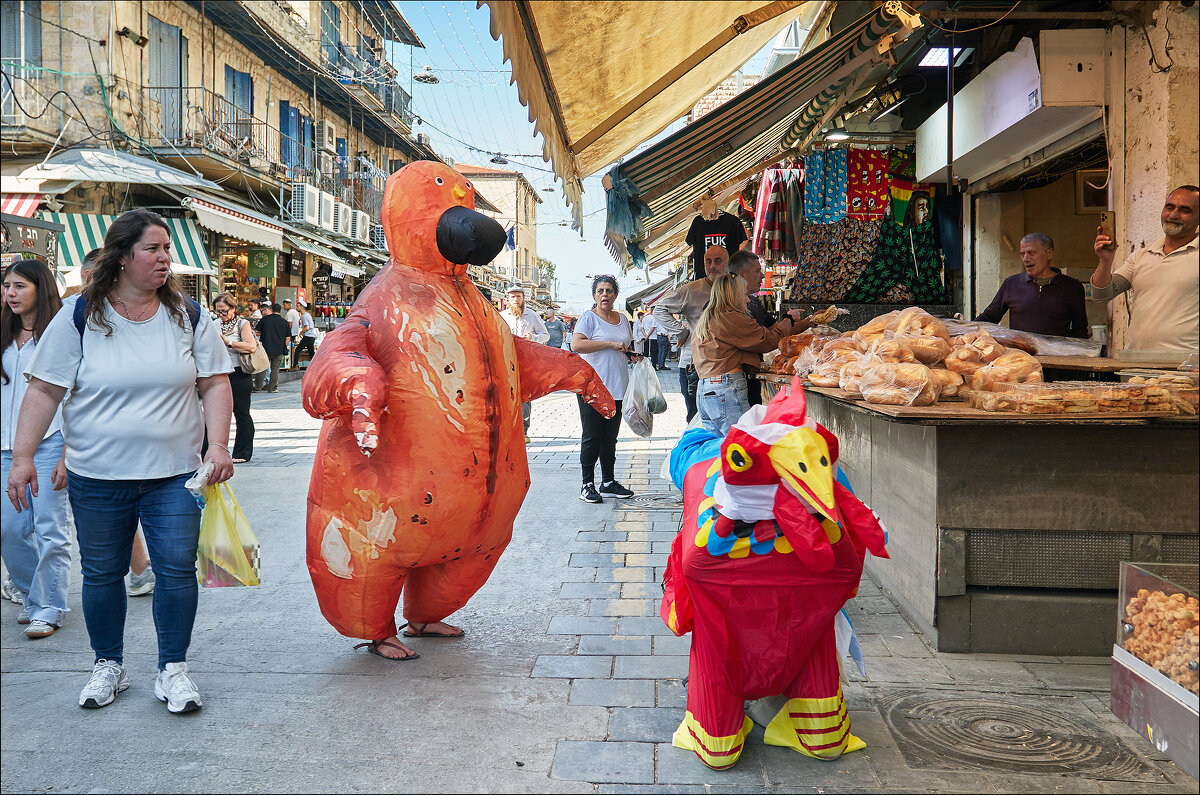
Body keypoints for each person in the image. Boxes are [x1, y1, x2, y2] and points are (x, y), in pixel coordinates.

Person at [6, 207, 234, 713]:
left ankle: (172, 668)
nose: (164, 258)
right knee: (103, 573)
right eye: (153, 249)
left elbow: (215, 383)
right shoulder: (80, 314)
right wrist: (24, 457)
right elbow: (44, 390)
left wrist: (217, 445)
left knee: (175, 571)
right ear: (123, 256)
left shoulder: (188, 315)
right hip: (97, 474)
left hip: (175, 475)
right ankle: (108, 664)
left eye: (167, 249)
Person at [1, 258, 71, 639]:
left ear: (39, 289)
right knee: (8, 529)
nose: (10, 293)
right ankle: (32, 598)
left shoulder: (59, 335)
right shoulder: (2, 335)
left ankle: (51, 605)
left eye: (19, 286)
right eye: (7, 286)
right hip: (4, 449)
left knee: (49, 528)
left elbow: (74, 397)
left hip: (50, 443)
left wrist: (66, 453)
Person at [693, 273, 806, 436]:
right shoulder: (731, 317)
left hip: (706, 389)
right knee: (744, 445)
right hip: (726, 388)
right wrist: (788, 319)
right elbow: (767, 340)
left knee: (723, 450)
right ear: (733, 296)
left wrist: (806, 322)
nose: (747, 300)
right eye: (744, 294)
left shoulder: (709, 317)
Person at [1090, 185, 1199, 352]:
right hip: (1137, 362)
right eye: (1169, 207)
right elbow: (1101, 294)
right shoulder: (1141, 256)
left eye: (1185, 210)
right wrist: (1105, 261)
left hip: (1185, 366)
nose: (1174, 214)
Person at [571, 276, 637, 504]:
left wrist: (631, 355)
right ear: (594, 295)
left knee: (610, 438)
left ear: (616, 295)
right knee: (592, 436)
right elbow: (576, 344)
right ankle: (586, 484)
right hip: (593, 387)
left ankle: (608, 482)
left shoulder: (623, 319)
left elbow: (624, 346)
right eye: (600, 291)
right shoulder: (588, 318)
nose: (605, 295)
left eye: (609, 290)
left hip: (618, 387)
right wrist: (609, 344)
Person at [653, 245, 731, 422]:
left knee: (722, 422)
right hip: (694, 366)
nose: (712, 266)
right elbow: (659, 310)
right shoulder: (692, 290)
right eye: (708, 262)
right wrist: (681, 332)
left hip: (725, 366)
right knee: (697, 421)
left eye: (718, 261)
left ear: (727, 263)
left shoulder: (733, 289)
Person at [727, 250, 813, 406]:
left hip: (745, 382)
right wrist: (788, 319)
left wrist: (810, 321)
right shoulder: (732, 309)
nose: (762, 276)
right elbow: (767, 340)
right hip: (733, 386)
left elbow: (779, 333)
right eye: (757, 271)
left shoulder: (753, 303)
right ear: (742, 274)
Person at [974, 233, 1088, 338]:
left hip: (1059, 358)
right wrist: (961, 330)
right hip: (1020, 356)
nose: (1026, 259)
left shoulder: (1072, 287)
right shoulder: (1011, 284)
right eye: (1022, 254)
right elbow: (988, 318)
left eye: (1031, 253)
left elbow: (1080, 330)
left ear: (1049, 253)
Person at [500, 283, 548, 443]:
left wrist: (532, 338)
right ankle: (508, 428)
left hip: (526, 362)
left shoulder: (533, 315)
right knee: (506, 394)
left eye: (518, 296)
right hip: (506, 361)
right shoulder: (501, 316)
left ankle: (524, 430)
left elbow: (545, 335)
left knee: (525, 395)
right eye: (512, 296)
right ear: (508, 299)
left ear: (523, 298)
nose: (515, 299)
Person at [213, 293, 258, 463]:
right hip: (219, 373)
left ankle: (241, 452)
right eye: (217, 311)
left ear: (233, 308)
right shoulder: (214, 324)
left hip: (239, 373)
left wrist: (228, 343)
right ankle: (210, 450)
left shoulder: (242, 324)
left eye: (224, 311)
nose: (221, 315)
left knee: (241, 413)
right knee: (214, 414)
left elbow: (251, 346)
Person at [256, 303, 292, 393]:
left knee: (262, 367)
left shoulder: (265, 319)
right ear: (280, 311)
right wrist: (284, 345)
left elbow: (256, 331)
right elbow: (288, 337)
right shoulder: (284, 322)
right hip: (279, 348)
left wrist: (263, 333)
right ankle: (272, 388)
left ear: (271, 310)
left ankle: (258, 387)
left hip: (266, 348)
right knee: (275, 369)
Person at [293, 300, 317, 368]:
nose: (296, 308)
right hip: (312, 336)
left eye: (298, 306)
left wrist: (301, 332)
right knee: (311, 352)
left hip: (308, 336)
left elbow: (307, 327)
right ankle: (315, 365)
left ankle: (295, 365)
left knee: (298, 350)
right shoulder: (307, 314)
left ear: (302, 307)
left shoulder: (304, 316)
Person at [282, 299, 300, 368]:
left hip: (290, 334)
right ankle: (292, 363)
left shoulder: (289, 313)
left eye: (284, 305)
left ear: (289, 305)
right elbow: (299, 322)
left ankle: (288, 364)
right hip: (294, 333)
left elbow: (290, 324)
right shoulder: (295, 312)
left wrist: (287, 334)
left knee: (289, 348)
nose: (283, 307)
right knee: (292, 348)